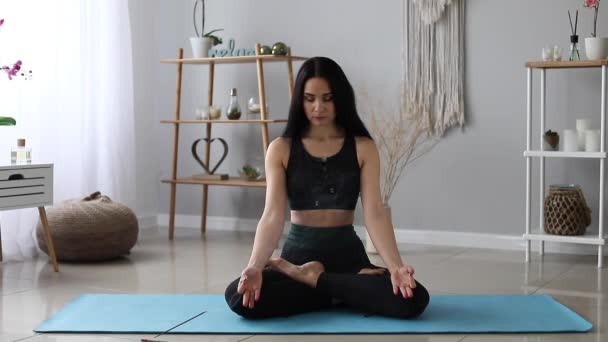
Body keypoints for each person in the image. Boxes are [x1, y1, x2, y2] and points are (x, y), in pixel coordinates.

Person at [224, 56, 429, 319]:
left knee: (413, 299)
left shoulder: (363, 146)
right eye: (310, 98)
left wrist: (396, 267)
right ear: (300, 100)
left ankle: (317, 282)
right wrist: (254, 266)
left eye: (327, 98)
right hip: (296, 259)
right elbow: (272, 216)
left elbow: (375, 212)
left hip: (349, 261)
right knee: (239, 296)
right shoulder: (281, 148)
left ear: (340, 99)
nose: (318, 107)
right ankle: (341, 291)